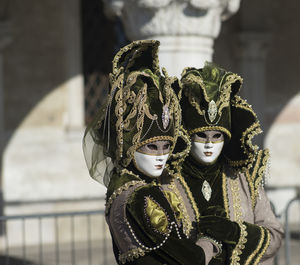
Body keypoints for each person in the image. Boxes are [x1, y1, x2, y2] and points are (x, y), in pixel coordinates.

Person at [83, 40, 221, 265]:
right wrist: (210, 240)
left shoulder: (118, 189)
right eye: (151, 146)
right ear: (129, 147)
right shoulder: (142, 196)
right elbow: (192, 260)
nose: (160, 156)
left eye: (166, 147)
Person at [178, 62, 284, 264]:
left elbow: (275, 236)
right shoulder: (167, 180)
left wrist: (235, 233)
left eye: (217, 135)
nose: (209, 144)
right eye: (202, 135)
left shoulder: (243, 176)